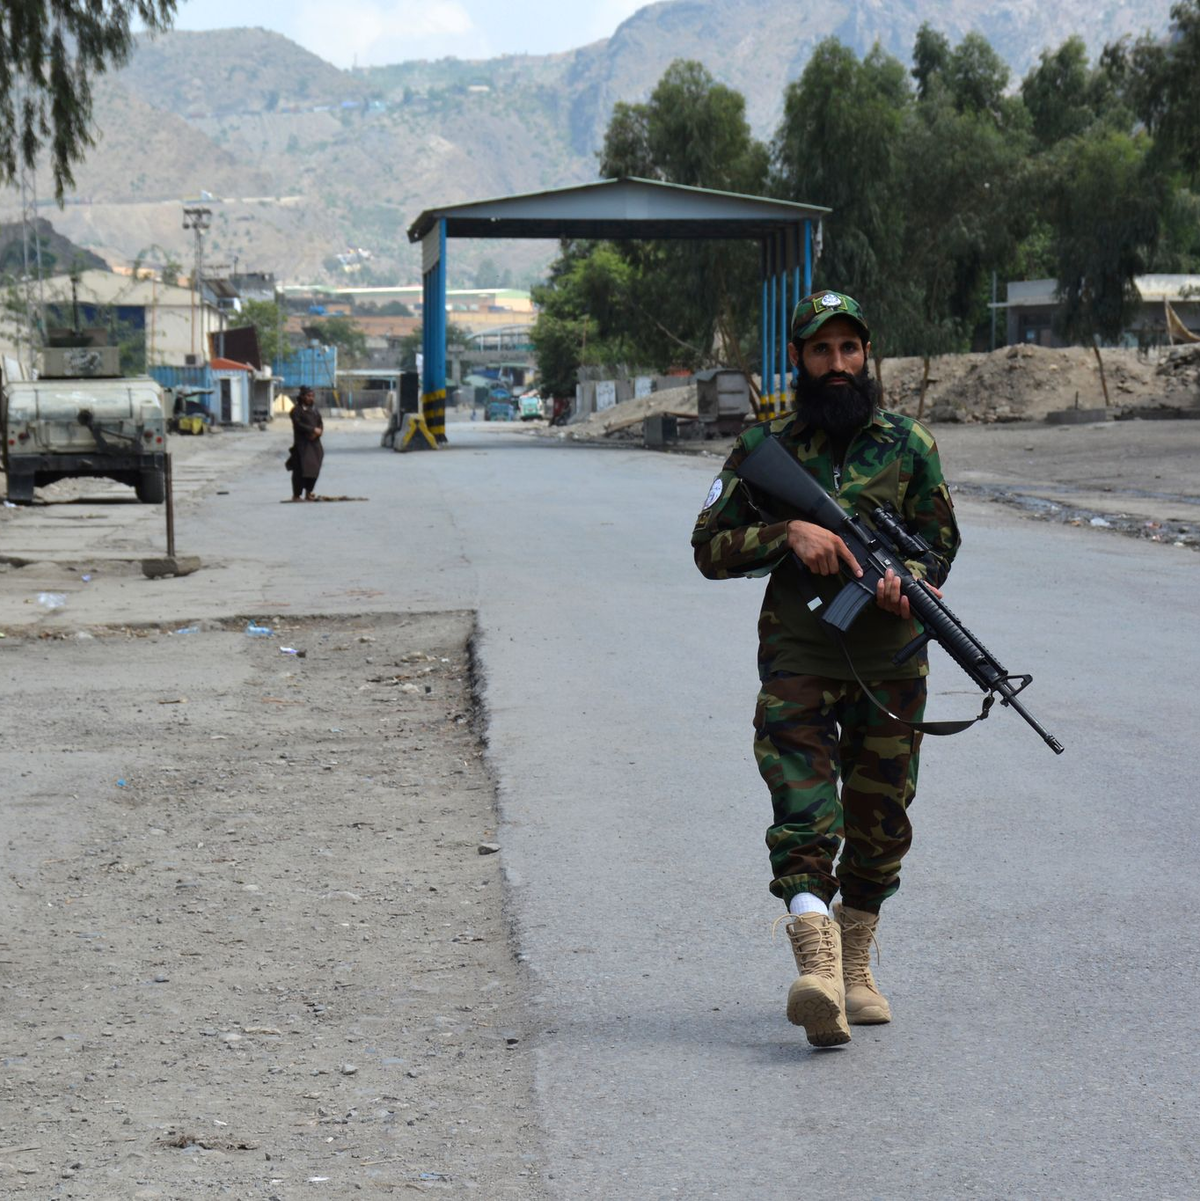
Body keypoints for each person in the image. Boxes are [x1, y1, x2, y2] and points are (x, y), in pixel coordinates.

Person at [691, 290, 960, 1047]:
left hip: (891, 660)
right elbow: (709, 546)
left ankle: (856, 961)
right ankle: (816, 962)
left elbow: (939, 546)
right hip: (800, 654)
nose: (837, 364)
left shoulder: (910, 444)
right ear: (799, 360)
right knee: (804, 810)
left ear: (866, 356)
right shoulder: (761, 449)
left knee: (882, 823)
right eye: (821, 351)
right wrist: (789, 533)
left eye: (849, 349)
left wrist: (902, 576)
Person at [289, 386, 324, 501]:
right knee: (300, 470)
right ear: (302, 396)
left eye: (312, 396)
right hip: (302, 445)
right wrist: (312, 430)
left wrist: (318, 432)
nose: (311, 398)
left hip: (315, 444)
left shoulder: (314, 410)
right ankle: (296, 495)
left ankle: (309, 492)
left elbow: (320, 423)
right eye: (308, 396)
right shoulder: (296, 410)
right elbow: (298, 424)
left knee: (314, 469)